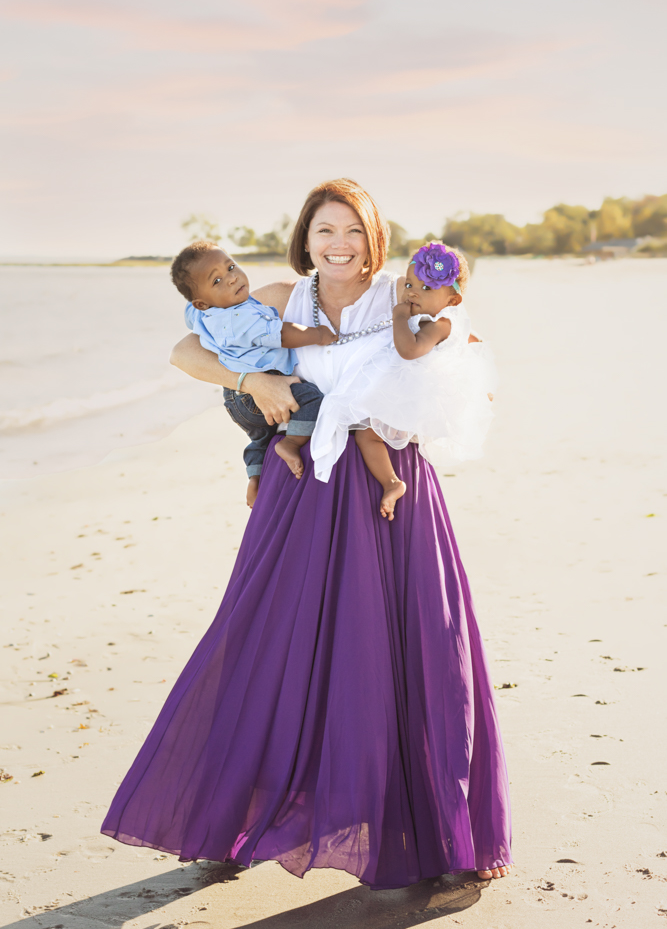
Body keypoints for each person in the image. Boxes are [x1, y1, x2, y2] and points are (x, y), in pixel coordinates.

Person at [101, 178, 512, 887]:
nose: (338, 245)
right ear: (305, 239)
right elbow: (184, 351)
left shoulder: (401, 295)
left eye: (352, 230)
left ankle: (433, 824)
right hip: (303, 489)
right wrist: (251, 383)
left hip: (390, 489)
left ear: (373, 238)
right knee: (268, 637)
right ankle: (233, 815)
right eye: (325, 230)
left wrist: (437, 374)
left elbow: (464, 351)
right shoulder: (276, 300)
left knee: (412, 643)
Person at [323, 240, 497, 519]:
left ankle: (392, 483)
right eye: (409, 285)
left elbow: (408, 350)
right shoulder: (445, 320)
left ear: (452, 301)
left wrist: (399, 318)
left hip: (416, 395)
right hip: (412, 388)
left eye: (427, 288)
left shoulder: (438, 324)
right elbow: (472, 340)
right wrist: (480, 382)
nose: (413, 293)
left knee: (367, 436)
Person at [170, 240, 335, 507]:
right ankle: (291, 444)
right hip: (255, 388)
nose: (232, 278)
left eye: (231, 267)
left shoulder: (203, 313)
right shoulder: (242, 318)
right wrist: (317, 335)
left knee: (261, 438)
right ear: (201, 302)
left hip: (235, 398)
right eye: (217, 281)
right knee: (311, 399)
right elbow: (282, 334)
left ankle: (255, 476)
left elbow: (191, 314)